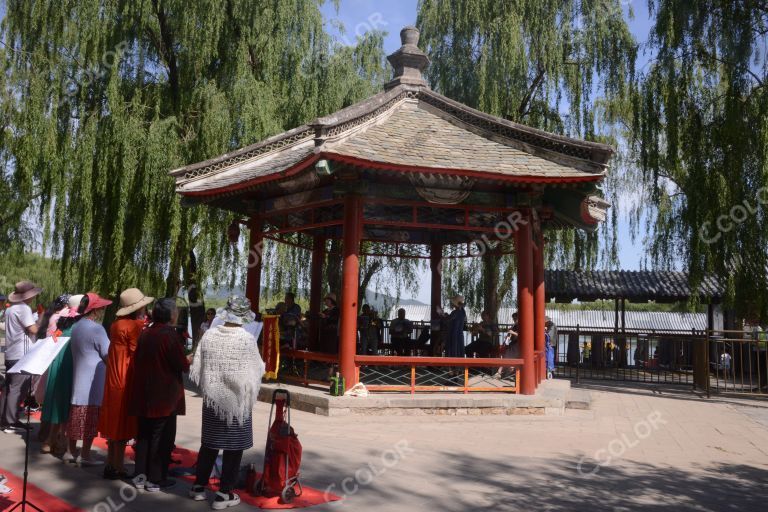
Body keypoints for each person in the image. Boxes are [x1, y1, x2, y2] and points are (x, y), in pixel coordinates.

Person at [188, 296, 265, 509]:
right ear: (244, 317)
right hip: (238, 402)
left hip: (213, 398)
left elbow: (199, 364)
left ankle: (198, 487)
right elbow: (257, 368)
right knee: (234, 446)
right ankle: (224, 493)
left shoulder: (210, 335)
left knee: (209, 444)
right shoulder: (246, 339)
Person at [129, 298, 190, 492]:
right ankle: (155, 478)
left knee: (144, 435)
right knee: (162, 437)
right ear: (171, 314)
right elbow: (181, 365)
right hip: (164, 395)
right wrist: (188, 359)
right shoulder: (168, 336)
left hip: (145, 392)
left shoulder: (146, 333)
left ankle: (140, 475)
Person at [99, 288, 153, 479]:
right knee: (122, 423)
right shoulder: (134, 326)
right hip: (125, 376)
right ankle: (118, 466)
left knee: (113, 422)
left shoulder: (116, 324)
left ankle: (110, 463)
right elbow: (137, 353)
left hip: (113, 375)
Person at [66, 292, 112, 466]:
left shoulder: (77, 326)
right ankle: (85, 454)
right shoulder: (97, 329)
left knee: (76, 417)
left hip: (79, 377)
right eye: (101, 307)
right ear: (96, 309)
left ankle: (71, 451)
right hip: (94, 380)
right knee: (91, 419)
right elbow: (107, 355)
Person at [41, 294, 83, 457]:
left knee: (55, 401)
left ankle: (49, 440)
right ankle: (61, 442)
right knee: (66, 403)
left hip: (56, 363)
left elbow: (53, 339)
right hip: (69, 364)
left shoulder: (61, 323)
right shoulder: (79, 326)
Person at [0, 281, 42, 434]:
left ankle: (6, 418)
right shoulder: (24, 309)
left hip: (11, 352)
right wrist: (41, 319)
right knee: (18, 388)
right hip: (21, 354)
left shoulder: (10, 309)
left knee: (8, 387)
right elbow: (33, 329)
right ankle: (10, 421)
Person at [34, 294, 71, 448]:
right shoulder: (61, 317)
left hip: (48, 357)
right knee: (54, 398)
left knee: (47, 397)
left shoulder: (49, 316)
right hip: (56, 357)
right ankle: (52, 437)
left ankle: (44, 433)